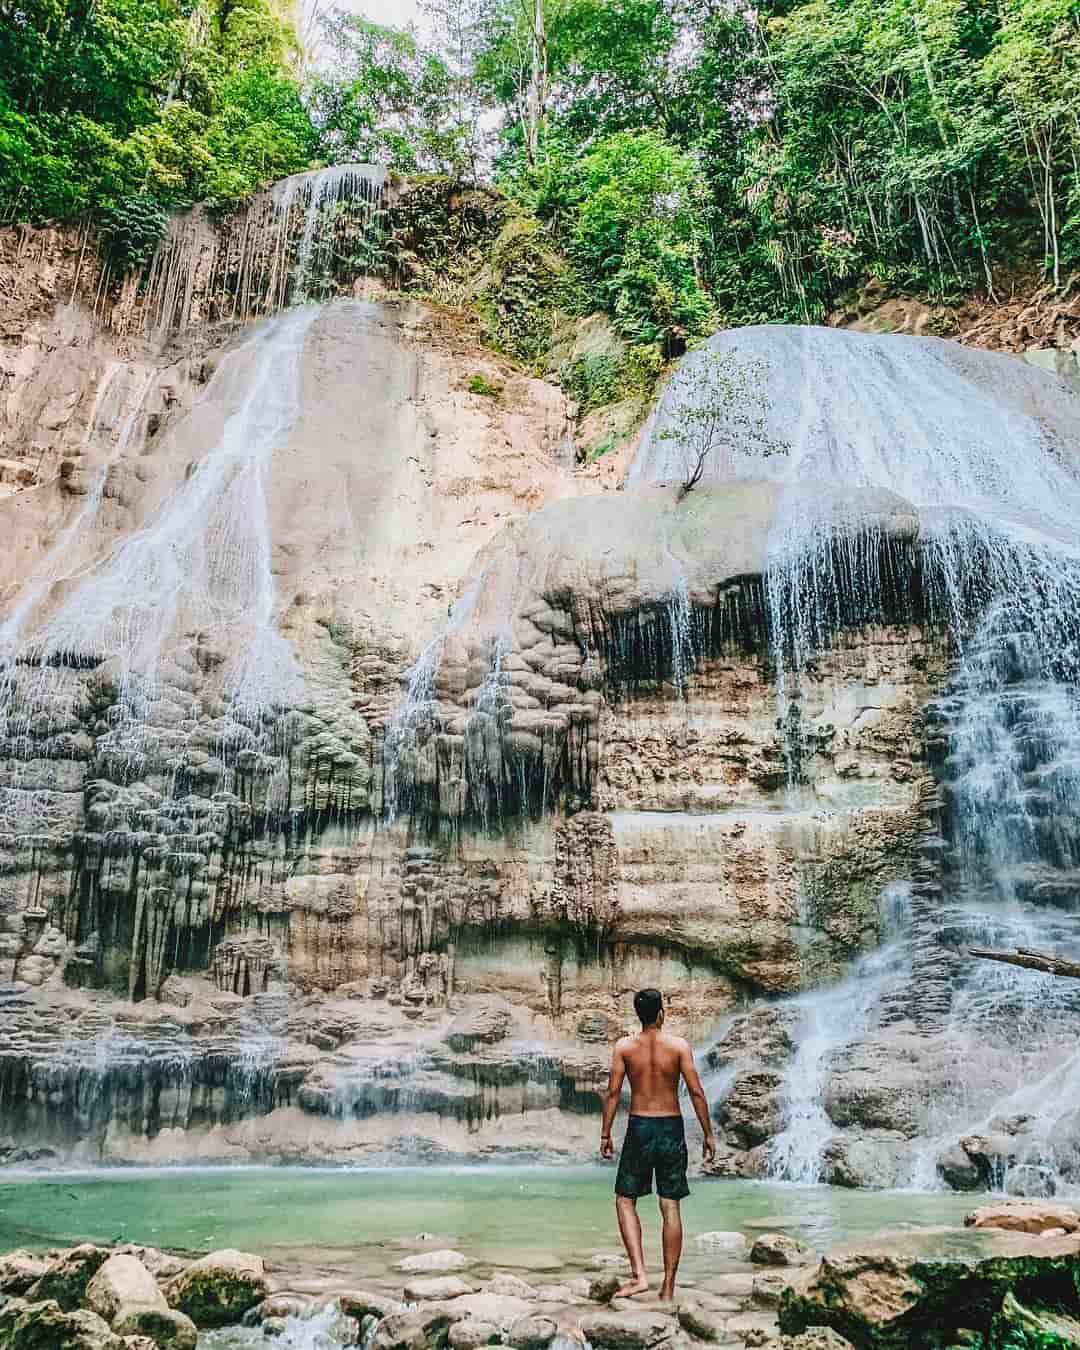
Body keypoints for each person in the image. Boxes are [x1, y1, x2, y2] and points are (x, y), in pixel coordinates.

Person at [600, 988, 716, 1301]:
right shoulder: (678, 1046)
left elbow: (612, 1093)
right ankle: (668, 1288)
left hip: (640, 1127)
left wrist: (605, 1134)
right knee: (670, 1206)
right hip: (670, 1127)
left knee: (625, 1200)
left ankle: (639, 1276)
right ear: (661, 1013)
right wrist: (708, 1134)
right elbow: (696, 1092)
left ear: (639, 1015)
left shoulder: (624, 1047)